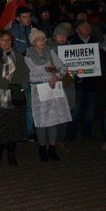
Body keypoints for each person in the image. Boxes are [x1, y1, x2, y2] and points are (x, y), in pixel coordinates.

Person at [25, 29, 72, 161]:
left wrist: (56, 75)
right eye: (40, 39)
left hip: (53, 90)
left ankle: (52, 148)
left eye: (44, 38)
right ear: (33, 41)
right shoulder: (27, 57)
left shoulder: (50, 53)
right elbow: (30, 76)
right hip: (38, 92)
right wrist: (48, 77)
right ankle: (41, 148)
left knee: (53, 120)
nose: (43, 41)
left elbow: (62, 68)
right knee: (41, 121)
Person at [0, 31, 29, 165]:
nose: (6, 43)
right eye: (3, 40)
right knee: (0, 127)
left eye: (9, 40)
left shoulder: (18, 57)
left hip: (15, 96)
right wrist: (6, 85)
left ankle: (11, 152)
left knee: (14, 126)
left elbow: (25, 73)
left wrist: (17, 86)